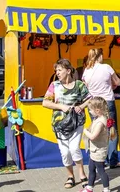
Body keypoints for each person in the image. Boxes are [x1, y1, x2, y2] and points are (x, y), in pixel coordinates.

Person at [42, 59, 91, 189]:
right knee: (65, 152)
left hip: (76, 122)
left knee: (74, 148)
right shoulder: (54, 85)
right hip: (60, 124)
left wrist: (81, 106)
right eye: (56, 70)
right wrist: (60, 106)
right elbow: (45, 103)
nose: (57, 73)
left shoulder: (79, 85)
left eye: (60, 70)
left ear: (68, 71)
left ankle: (81, 173)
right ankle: (70, 176)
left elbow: (90, 99)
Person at [82, 48, 120, 169]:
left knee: (97, 130)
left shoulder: (86, 71)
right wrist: (112, 84)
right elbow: (118, 82)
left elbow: (85, 88)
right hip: (107, 101)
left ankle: (99, 159)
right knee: (111, 130)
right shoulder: (107, 67)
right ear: (100, 56)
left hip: (93, 103)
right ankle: (112, 160)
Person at [82, 97, 110, 192]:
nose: (89, 111)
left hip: (99, 151)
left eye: (90, 110)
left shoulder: (100, 122)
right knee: (91, 168)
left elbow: (93, 136)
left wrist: (85, 131)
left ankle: (106, 189)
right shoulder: (98, 118)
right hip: (94, 150)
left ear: (97, 110)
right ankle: (90, 187)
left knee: (101, 170)